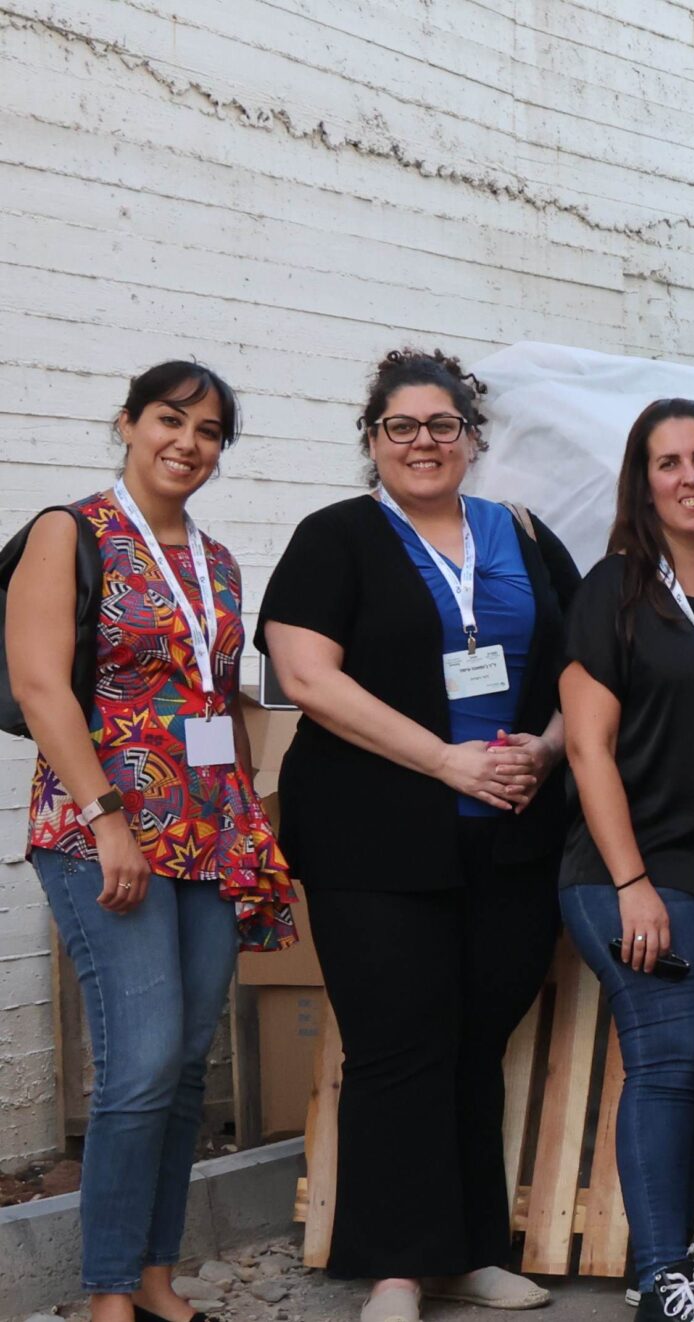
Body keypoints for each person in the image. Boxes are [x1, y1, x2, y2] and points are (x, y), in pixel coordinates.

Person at [260, 349, 579, 1322]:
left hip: (510, 834)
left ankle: (469, 1252)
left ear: (473, 438)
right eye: (401, 426)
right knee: (397, 1046)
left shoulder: (522, 534)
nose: (424, 442)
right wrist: (447, 762)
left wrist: (547, 749)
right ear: (373, 439)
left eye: (444, 425)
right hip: (375, 837)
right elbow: (305, 676)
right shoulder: (335, 537)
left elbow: (587, 665)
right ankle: (397, 1266)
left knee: (476, 1044)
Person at [9, 362, 295, 1322]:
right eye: (171, 420)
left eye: (210, 431)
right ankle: (107, 1295)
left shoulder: (219, 561)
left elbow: (216, 701)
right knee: (138, 1066)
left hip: (208, 832)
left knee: (182, 1071)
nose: (188, 443)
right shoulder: (71, 531)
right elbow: (41, 685)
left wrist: (250, 819)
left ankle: (157, 1278)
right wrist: (107, 821)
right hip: (104, 828)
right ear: (129, 422)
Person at [555, 399, 694, 1322]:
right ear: (642, 484)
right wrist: (632, 884)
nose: (691, 476)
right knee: (669, 1058)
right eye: (669, 463)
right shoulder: (613, 589)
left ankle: (679, 1254)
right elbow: (587, 749)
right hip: (639, 870)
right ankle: (659, 1280)